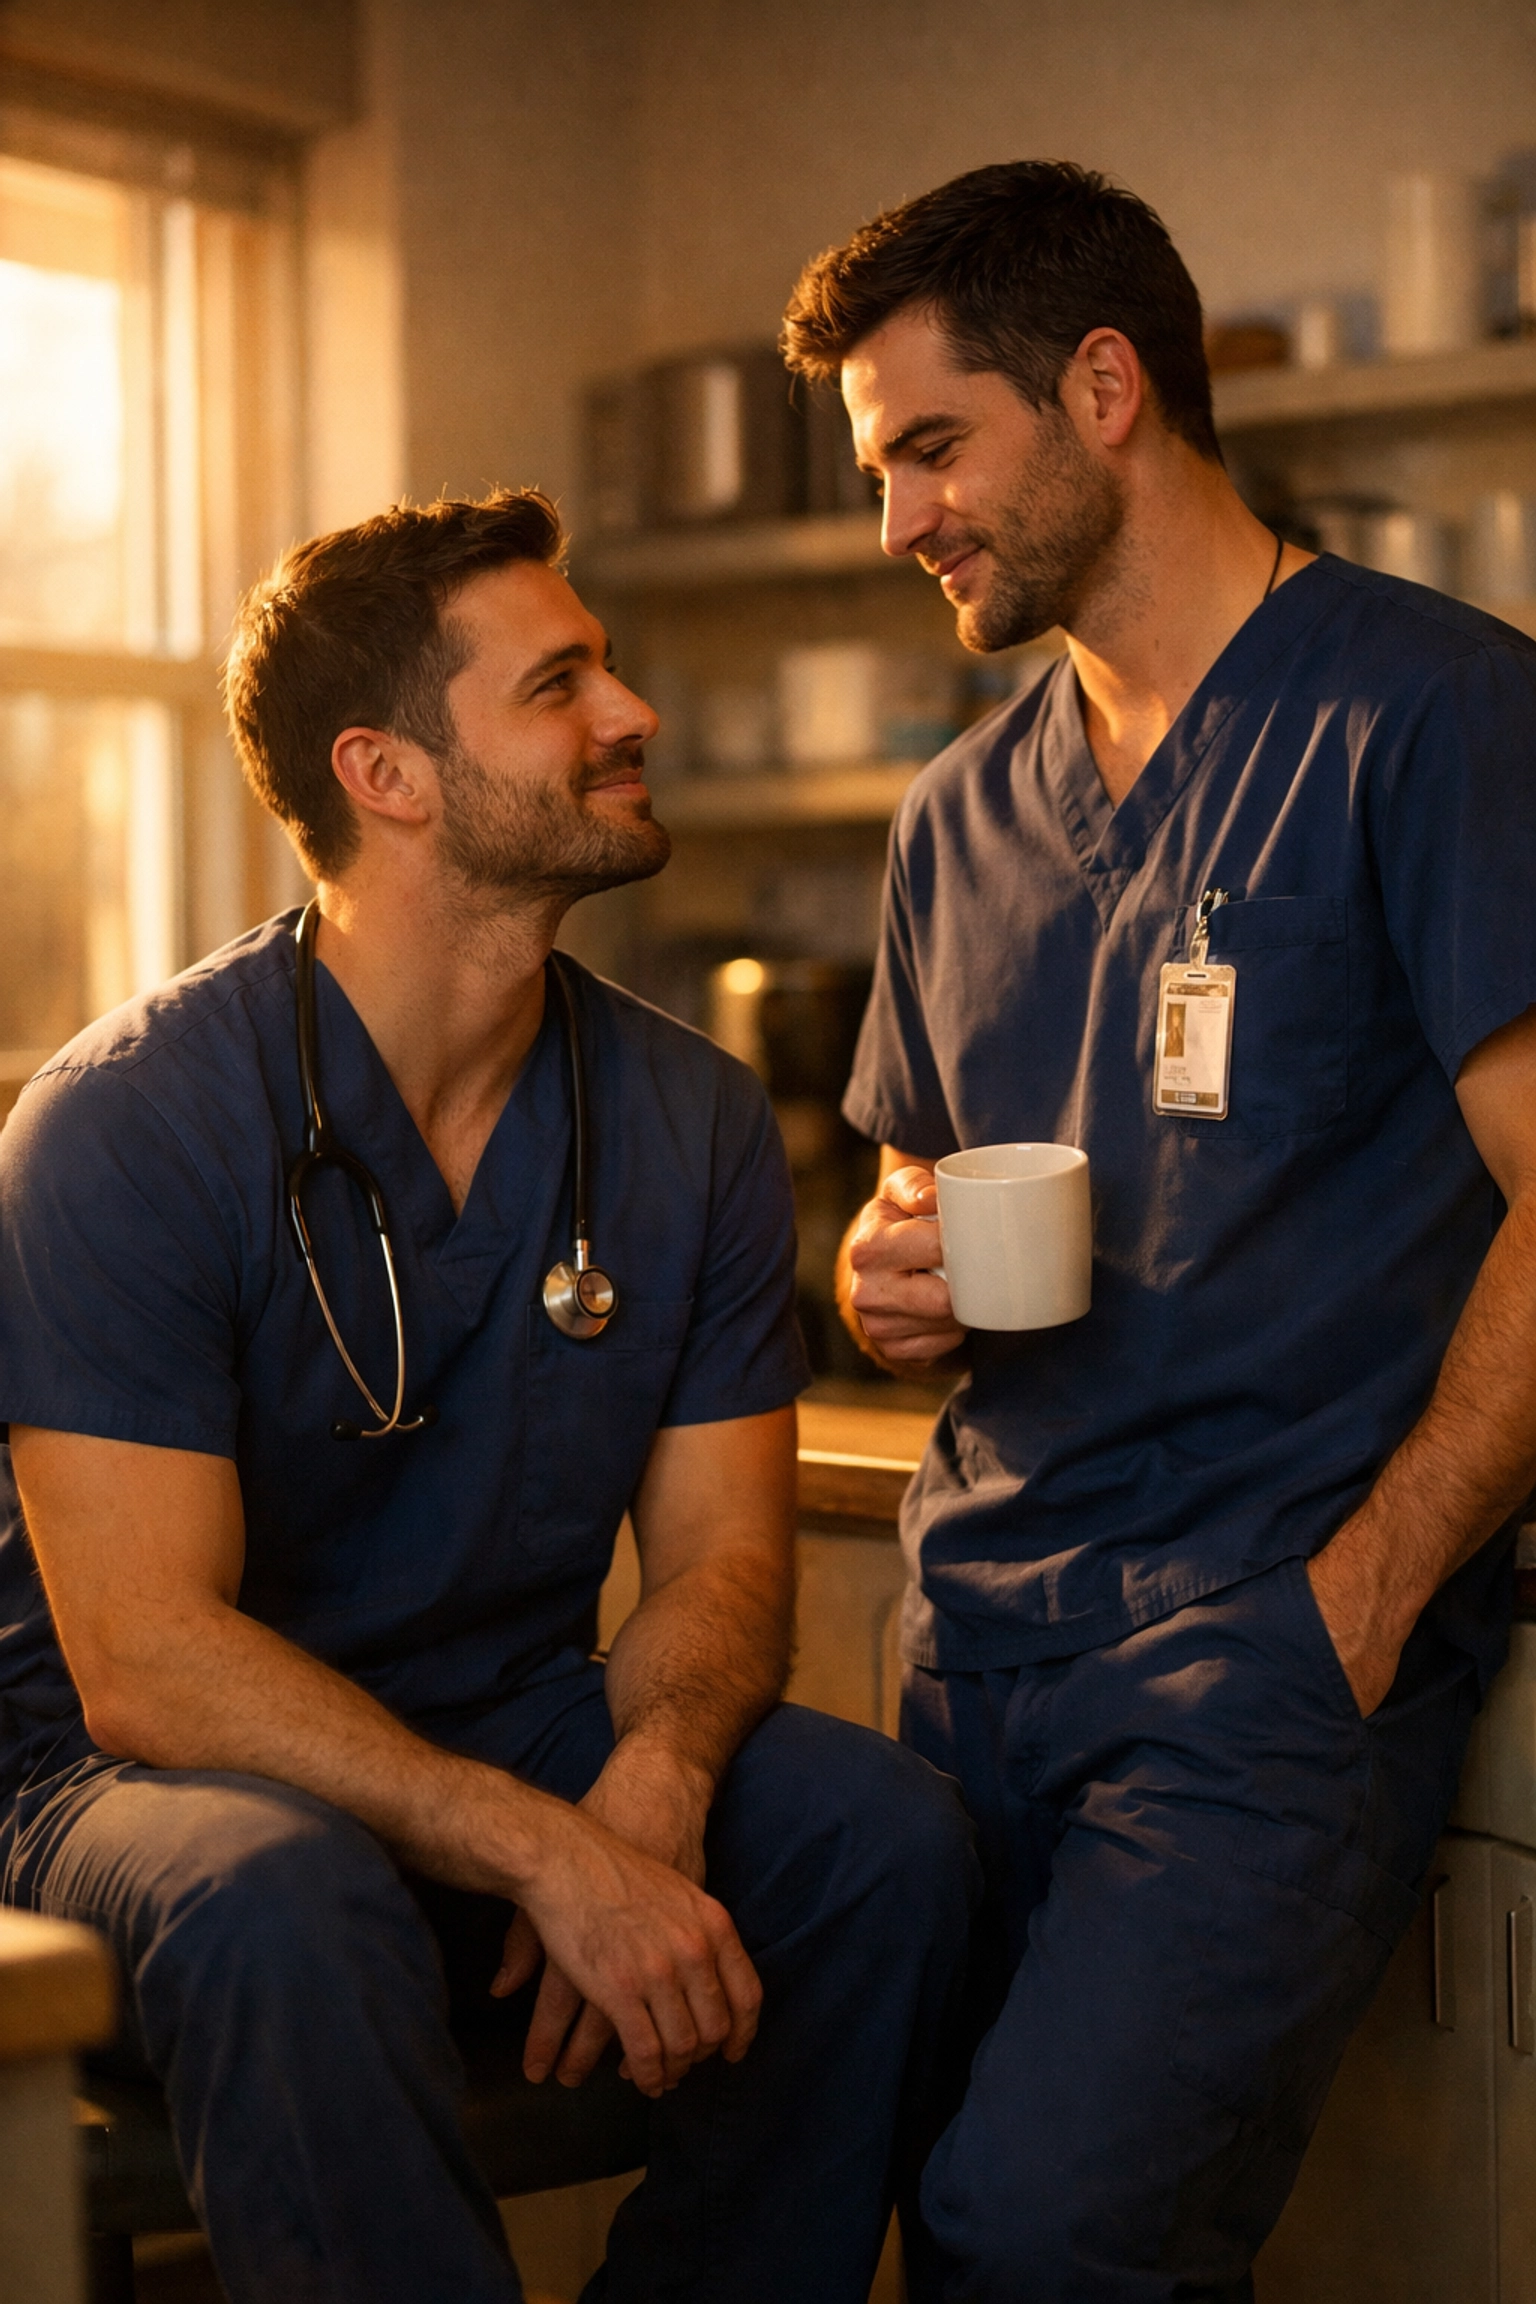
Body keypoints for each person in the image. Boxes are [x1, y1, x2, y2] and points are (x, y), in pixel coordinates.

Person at [0, 490, 976, 2304]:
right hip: (137, 1788)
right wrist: (545, 1848)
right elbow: (141, 1655)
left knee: (883, 1846)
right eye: (560, 684)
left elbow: (718, 1567)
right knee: (289, 1892)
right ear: (388, 773)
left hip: (506, 1736)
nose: (632, 716)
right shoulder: (124, 1126)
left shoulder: (686, 1120)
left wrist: (658, 1781)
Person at [781, 161, 1536, 2299]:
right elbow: (915, 1186)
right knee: (927, 2230)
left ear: (1105, 386)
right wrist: (883, 1267)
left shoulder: (1432, 714)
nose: (897, 519)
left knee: (1039, 2235)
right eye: (876, 467)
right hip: (977, 1651)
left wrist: (1370, 1598)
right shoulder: (956, 817)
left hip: (1257, 1661)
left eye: (931, 445)